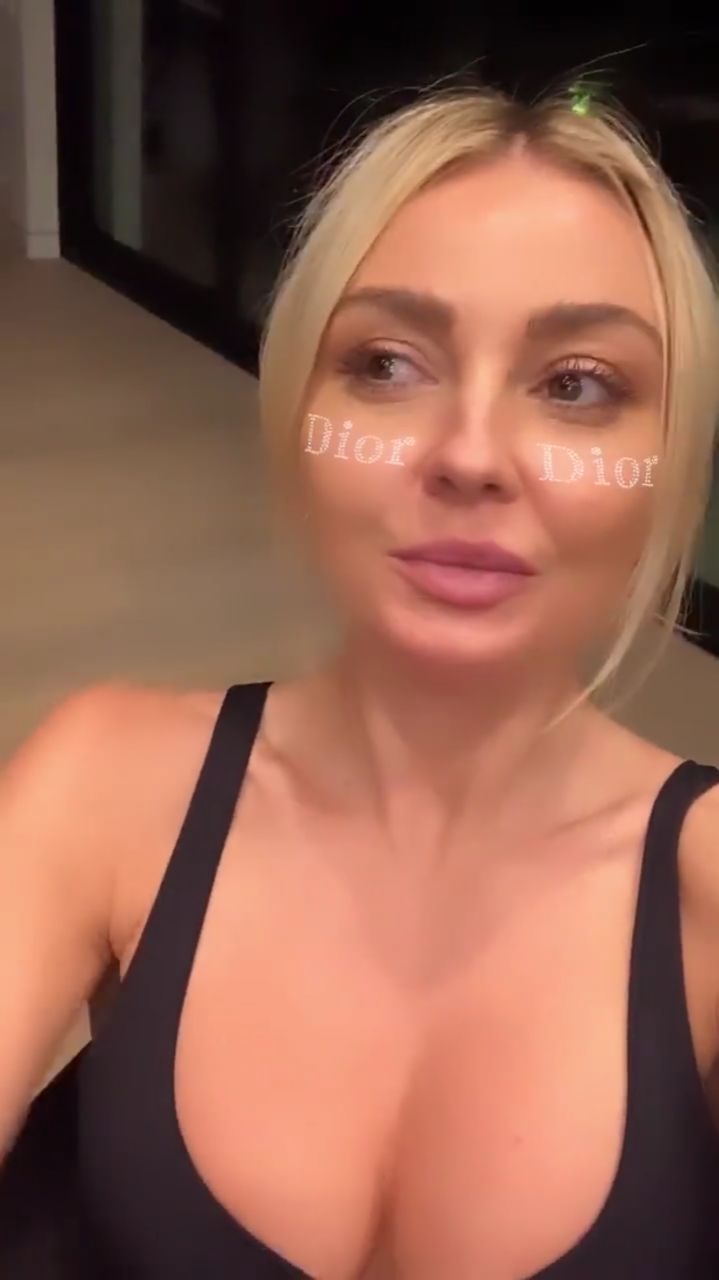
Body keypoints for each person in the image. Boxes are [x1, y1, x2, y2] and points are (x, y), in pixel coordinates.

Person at [1, 83, 719, 1280]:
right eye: (386, 362)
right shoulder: (105, 784)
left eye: (576, 384)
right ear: (297, 409)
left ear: (666, 464)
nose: (469, 455)